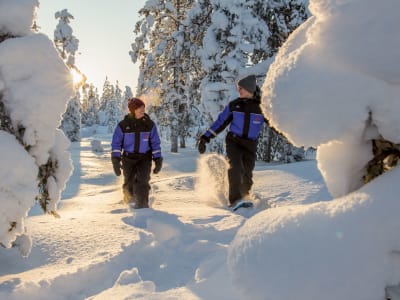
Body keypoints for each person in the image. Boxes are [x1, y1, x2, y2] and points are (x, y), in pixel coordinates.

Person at [198, 75, 265, 207]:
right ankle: (235, 201)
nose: (239, 90)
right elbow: (220, 122)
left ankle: (245, 197)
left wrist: (288, 135)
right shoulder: (234, 105)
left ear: (249, 89)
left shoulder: (261, 108)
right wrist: (205, 138)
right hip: (234, 142)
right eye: (238, 88)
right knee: (235, 168)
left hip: (250, 144)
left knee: (247, 172)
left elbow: (275, 124)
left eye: (241, 88)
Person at [111, 97, 163, 209]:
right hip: (128, 158)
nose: (142, 110)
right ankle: (128, 205)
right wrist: (115, 160)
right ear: (133, 110)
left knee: (143, 182)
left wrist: (158, 159)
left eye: (143, 107)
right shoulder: (123, 125)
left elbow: (155, 143)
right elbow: (116, 144)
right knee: (129, 183)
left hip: (144, 158)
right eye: (139, 108)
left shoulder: (149, 125)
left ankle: (142, 207)